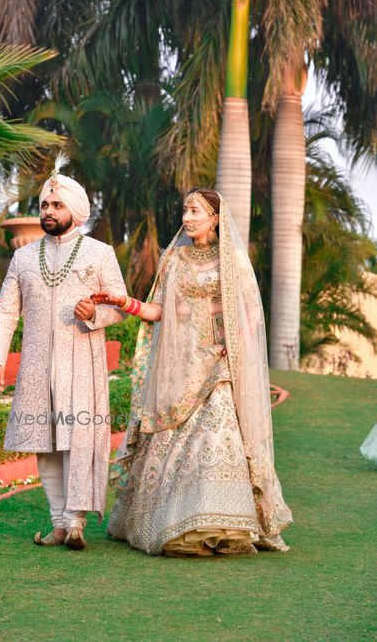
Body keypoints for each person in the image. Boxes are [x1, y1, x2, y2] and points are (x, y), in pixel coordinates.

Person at [92, 188, 293, 556]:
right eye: (185, 210)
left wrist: (237, 356)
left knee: (218, 436)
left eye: (196, 210)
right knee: (173, 443)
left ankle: (222, 522)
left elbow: (249, 317)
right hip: (180, 367)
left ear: (215, 218)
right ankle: (173, 520)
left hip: (219, 364)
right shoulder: (175, 258)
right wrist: (125, 302)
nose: (187, 217)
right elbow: (157, 312)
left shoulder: (232, 260)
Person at [0, 155, 127, 550]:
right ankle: (58, 524)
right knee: (44, 441)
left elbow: (120, 306)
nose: (48, 211)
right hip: (35, 364)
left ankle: (75, 522)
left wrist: (95, 313)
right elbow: (6, 309)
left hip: (81, 360)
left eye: (57, 205)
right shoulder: (24, 257)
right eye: (45, 205)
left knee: (77, 439)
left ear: (76, 212)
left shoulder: (100, 253)